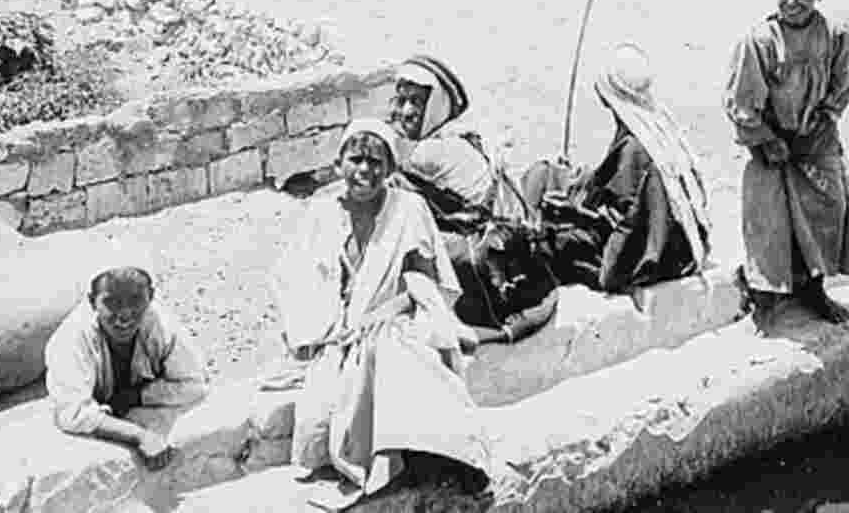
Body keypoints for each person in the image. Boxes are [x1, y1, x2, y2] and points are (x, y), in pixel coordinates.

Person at [272, 117, 490, 508]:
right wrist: (324, 328)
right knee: (332, 390)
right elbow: (295, 281)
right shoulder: (321, 212)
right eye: (356, 159)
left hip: (399, 313)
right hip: (337, 329)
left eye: (377, 163)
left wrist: (386, 311)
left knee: (395, 348)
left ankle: (439, 458)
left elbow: (423, 282)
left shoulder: (408, 208)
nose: (365, 171)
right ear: (340, 163)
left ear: (389, 169)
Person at [725, 0, 849, 328]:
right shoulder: (760, 41)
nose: (792, 2)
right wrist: (765, 138)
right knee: (770, 219)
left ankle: (813, 288)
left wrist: (826, 117)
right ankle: (763, 294)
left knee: (828, 209)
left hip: (816, 140)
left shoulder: (835, 35)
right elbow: (740, 99)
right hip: (773, 144)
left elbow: (843, 82)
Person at [390, 56, 558, 345]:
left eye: (416, 102)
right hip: (514, 258)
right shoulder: (465, 136)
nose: (405, 111)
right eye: (401, 100)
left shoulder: (425, 155)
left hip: (482, 269)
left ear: (436, 107)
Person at [520, 43, 711, 294]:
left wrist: (574, 215)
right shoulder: (661, 132)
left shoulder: (633, 149)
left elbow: (624, 227)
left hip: (648, 259)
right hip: (678, 250)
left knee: (546, 244)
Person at [44, 259, 207, 468]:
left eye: (136, 300)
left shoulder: (161, 324)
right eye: (112, 302)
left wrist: (138, 396)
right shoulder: (71, 338)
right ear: (92, 302)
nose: (124, 315)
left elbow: (195, 385)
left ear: (151, 297)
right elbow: (73, 413)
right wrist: (140, 437)